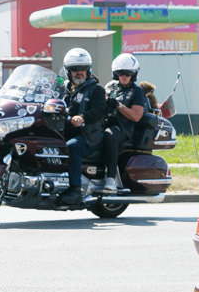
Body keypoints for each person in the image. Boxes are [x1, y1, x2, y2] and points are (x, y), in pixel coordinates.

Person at [59, 48, 105, 205]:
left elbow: (99, 111)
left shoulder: (96, 90)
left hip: (89, 135)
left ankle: (75, 190)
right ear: (68, 71)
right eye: (74, 69)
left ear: (88, 70)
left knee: (72, 147)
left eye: (83, 69)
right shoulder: (63, 88)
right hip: (68, 131)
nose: (79, 72)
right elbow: (49, 90)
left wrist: (82, 117)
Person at [101, 53, 147, 194]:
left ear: (133, 74)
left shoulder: (137, 91)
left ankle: (110, 179)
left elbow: (136, 116)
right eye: (121, 73)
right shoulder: (110, 86)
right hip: (106, 122)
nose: (124, 76)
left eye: (127, 73)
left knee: (109, 136)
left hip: (125, 128)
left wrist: (118, 105)